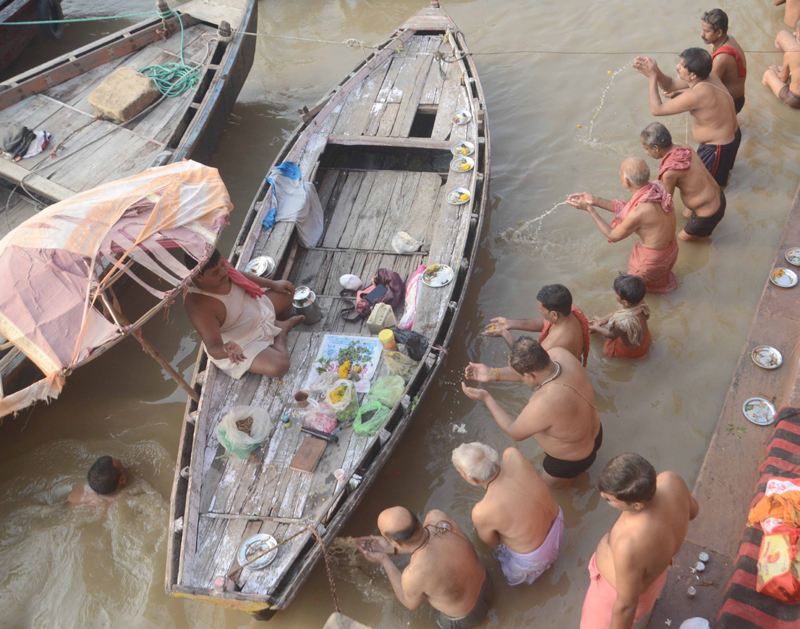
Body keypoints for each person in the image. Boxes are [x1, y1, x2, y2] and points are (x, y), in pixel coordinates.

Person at [462, 338, 602, 488]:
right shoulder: (560, 354)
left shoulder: (545, 401)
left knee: (553, 492)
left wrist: (487, 398)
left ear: (529, 375)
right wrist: (492, 373)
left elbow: (514, 431)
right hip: (596, 434)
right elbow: (530, 372)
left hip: (570, 461)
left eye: (521, 375)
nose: (521, 378)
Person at [580, 454, 699, 629]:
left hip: (613, 596)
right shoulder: (671, 480)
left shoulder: (630, 545)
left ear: (637, 505)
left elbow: (626, 607)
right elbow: (693, 512)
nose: (604, 497)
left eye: (608, 499)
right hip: (654, 577)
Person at [356, 506, 493, 629]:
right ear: (416, 520)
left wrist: (384, 560)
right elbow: (426, 544)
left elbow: (409, 603)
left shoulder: (413, 574)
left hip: (467, 617)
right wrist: (391, 549)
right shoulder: (437, 517)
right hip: (488, 584)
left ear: (395, 542)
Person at [452, 442, 564, 586]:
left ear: (472, 479)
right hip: (558, 522)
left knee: (510, 577)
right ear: (492, 454)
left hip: (536, 558)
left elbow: (491, 543)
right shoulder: (513, 454)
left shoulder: (481, 511)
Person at [183, 249, 304, 379]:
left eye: (222, 265)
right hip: (242, 342)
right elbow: (213, 348)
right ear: (198, 276)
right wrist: (227, 349)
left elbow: (239, 275)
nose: (224, 272)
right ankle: (281, 333)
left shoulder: (220, 268)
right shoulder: (198, 306)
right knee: (280, 366)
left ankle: (278, 323)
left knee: (287, 290)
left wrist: (273, 284)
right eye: (215, 273)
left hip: (256, 307)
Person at [567, 158, 679, 293]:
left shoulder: (640, 211)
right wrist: (595, 200)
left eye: (620, 174)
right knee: (660, 281)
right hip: (672, 248)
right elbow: (631, 211)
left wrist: (590, 210)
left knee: (635, 293)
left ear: (626, 181)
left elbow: (613, 236)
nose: (619, 176)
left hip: (652, 260)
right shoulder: (657, 186)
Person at [632, 49, 740, 187]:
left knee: (709, 186)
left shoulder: (696, 95)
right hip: (731, 136)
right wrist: (656, 70)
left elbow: (657, 109)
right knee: (720, 178)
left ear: (693, 74)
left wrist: (652, 77)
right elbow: (670, 84)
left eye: (682, 65)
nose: (677, 66)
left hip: (718, 148)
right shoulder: (710, 76)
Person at [640, 122, 725, 241]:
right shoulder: (682, 146)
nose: (646, 152)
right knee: (685, 215)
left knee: (681, 240)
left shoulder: (669, 172)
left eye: (646, 148)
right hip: (719, 196)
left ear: (655, 148)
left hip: (709, 213)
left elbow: (666, 205)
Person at [481, 284, 590, 366]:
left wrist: (504, 333)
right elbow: (545, 323)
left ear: (553, 314)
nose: (540, 313)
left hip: (563, 380)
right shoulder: (573, 311)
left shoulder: (551, 344)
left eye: (541, 311)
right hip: (575, 365)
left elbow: (526, 363)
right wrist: (511, 323)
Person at [590, 274, 651, 360]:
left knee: (606, 352)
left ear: (625, 302)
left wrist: (596, 328)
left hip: (633, 349)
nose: (615, 292)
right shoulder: (639, 302)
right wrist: (602, 320)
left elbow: (611, 335)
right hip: (645, 338)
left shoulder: (622, 322)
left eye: (616, 292)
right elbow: (616, 311)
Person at [700, 9, 747, 113]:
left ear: (719, 32)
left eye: (707, 31)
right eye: (703, 30)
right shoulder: (726, 38)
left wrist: (680, 93)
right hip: (734, 99)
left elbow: (707, 87)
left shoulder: (722, 57)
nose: (702, 35)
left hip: (730, 102)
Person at [762, 23, 800, 110]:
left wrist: (778, 72)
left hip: (795, 100)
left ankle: (766, 102)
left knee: (768, 74)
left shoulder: (792, 53)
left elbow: (783, 79)